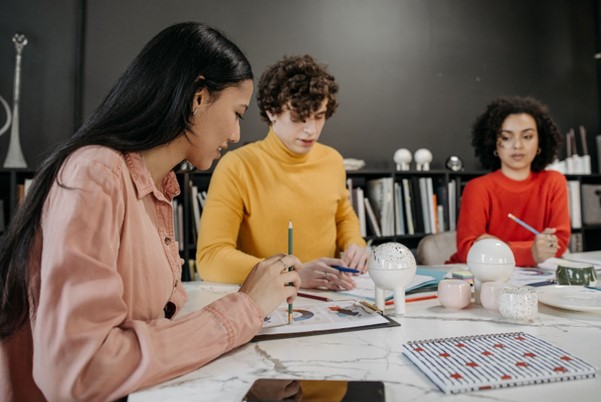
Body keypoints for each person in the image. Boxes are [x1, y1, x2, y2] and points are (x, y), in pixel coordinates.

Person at [0, 22, 301, 401]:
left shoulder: (157, 188)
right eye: (238, 113)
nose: (237, 134)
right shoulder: (96, 173)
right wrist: (245, 308)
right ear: (198, 97)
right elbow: (80, 372)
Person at [197, 55, 369, 290]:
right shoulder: (237, 166)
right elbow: (210, 260)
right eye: (298, 118)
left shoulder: (332, 160)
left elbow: (342, 216)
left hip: (330, 297)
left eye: (319, 116)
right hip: (267, 302)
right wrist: (291, 272)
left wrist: (354, 244)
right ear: (271, 112)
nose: (311, 130)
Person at [447, 96, 570, 267]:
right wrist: (531, 251)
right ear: (493, 143)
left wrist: (497, 246)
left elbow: (559, 243)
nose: (517, 145)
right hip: (476, 277)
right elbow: (468, 249)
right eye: (506, 137)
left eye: (527, 136)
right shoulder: (477, 188)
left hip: (532, 279)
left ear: (540, 141)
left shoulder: (554, 182)